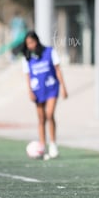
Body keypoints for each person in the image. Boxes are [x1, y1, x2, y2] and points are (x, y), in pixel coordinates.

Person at [22, 31, 68, 159]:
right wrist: (30, 91)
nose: (30, 45)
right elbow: (27, 76)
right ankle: (42, 146)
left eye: (32, 42)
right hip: (37, 90)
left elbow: (58, 70)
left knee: (49, 114)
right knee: (41, 118)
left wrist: (64, 87)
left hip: (52, 87)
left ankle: (53, 144)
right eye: (28, 44)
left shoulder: (49, 52)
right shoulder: (27, 57)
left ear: (37, 41)